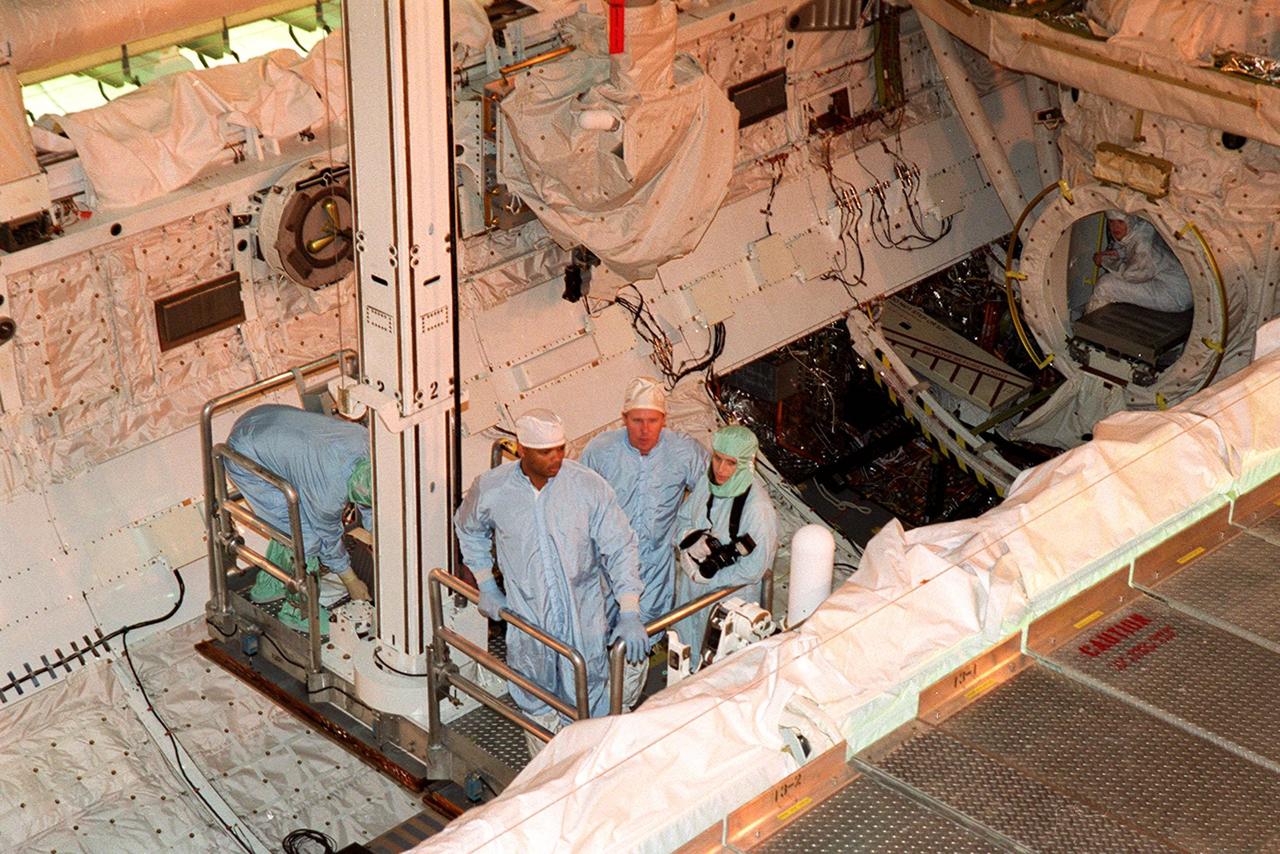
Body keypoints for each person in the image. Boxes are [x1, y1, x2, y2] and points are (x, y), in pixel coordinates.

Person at [453, 409, 646, 754]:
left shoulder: (587, 486)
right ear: (522, 451)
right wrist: (486, 584)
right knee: (534, 693)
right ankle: (546, 768)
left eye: (560, 448)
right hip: (529, 616)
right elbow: (468, 530)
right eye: (546, 451)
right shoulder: (493, 488)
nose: (556, 457)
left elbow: (620, 546)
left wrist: (629, 608)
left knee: (589, 688)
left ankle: (590, 760)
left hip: (583, 614)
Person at [580, 377, 709, 708]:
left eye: (652, 420)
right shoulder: (600, 451)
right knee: (593, 642)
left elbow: (710, 496)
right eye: (637, 420)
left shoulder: (684, 452)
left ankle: (618, 712)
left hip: (652, 571)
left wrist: (690, 533)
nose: (644, 429)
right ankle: (590, 706)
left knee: (636, 646)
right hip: (603, 570)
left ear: (664, 420)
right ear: (624, 419)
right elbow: (577, 505)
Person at [224, 404, 373, 634]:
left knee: (294, 522)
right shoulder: (329, 492)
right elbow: (328, 535)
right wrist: (351, 580)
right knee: (306, 536)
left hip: (265, 418)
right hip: (245, 451)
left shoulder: (370, 445)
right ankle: (298, 611)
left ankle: (269, 584)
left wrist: (379, 539)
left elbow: (371, 502)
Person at [672, 425, 778, 669]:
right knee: (685, 662)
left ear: (746, 463)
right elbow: (683, 519)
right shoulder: (707, 485)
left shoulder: (757, 510)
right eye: (717, 459)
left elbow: (753, 569)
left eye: (730, 463)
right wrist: (690, 542)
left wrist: (709, 577)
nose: (720, 469)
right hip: (692, 595)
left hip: (729, 601)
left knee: (722, 670)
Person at [1085, 211, 1193, 315]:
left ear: (1130, 221)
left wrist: (1104, 260)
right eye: (1111, 222)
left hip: (1175, 295)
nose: (1115, 227)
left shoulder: (1143, 245)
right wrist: (1118, 253)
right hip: (1178, 285)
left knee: (1105, 285)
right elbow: (1135, 251)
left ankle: (1088, 327)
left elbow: (1132, 275)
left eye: (1120, 222)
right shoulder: (1143, 229)